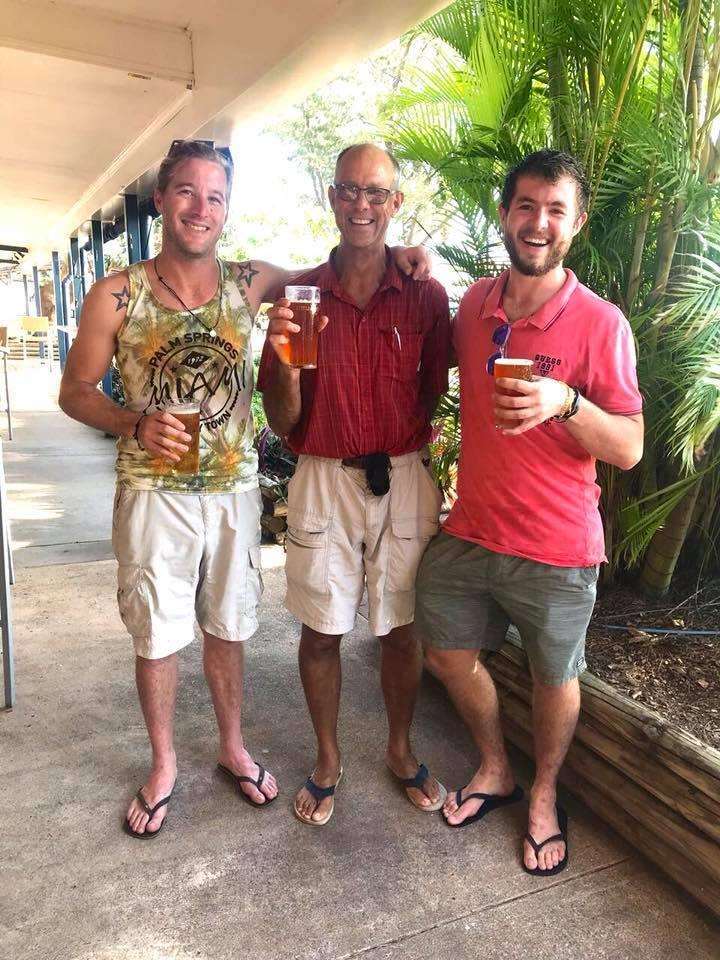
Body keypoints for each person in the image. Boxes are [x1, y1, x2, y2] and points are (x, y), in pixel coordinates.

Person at [58, 138, 429, 838]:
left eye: (216, 196)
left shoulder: (250, 280)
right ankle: (164, 763)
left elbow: (342, 266)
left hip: (232, 490)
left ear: (228, 209)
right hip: (153, 493)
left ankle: (232, 747)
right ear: (163, 199)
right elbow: (75, 391)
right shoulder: (115, 294)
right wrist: (133, 422)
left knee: (227, 629)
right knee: (158, 635)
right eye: (188, 192)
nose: (202, 208)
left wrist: (406, 250)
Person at [415, 150, 644, 875]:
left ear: (575, 222)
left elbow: (631, 447)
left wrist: (566, 402)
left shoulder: (601, 324)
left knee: (554, 678)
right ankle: (495, 767)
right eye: (525, 206)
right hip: (472, 530)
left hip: (557, 545)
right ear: (505, 213)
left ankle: (543, 792)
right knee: (446, 655)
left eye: (554, 210)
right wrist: (412, 268)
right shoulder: (476, 307)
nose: (537, 222)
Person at [258, 143, 451, 825]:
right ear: (332, 197)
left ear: (396, 204)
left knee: (400, 628)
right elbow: (283, 421)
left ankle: (399, 750)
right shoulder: (297, 297)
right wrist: (283, 361)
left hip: (401, 476)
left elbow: (434, 394)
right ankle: (329, 758)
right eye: (349, 190)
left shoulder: (425, 294)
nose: (362, 205)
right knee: (320, 630)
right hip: (321, 478)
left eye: (377, 193)